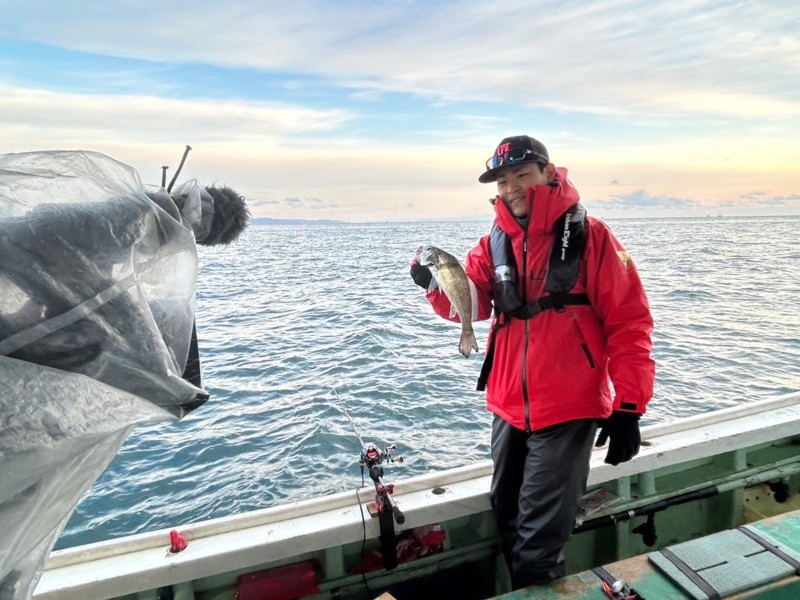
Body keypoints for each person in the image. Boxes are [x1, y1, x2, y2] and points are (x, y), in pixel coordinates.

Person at [410, 135, 655, 588]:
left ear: (548, 172)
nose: (512, 188)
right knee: (506, 514)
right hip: (507, 405)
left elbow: (630, 323)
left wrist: (629, 406)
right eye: (503, 181)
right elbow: (473, 305)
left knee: (539, 540)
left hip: (568, 407)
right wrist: (432, 284)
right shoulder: (492, 242)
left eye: (522, 174)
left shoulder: (593, 236)